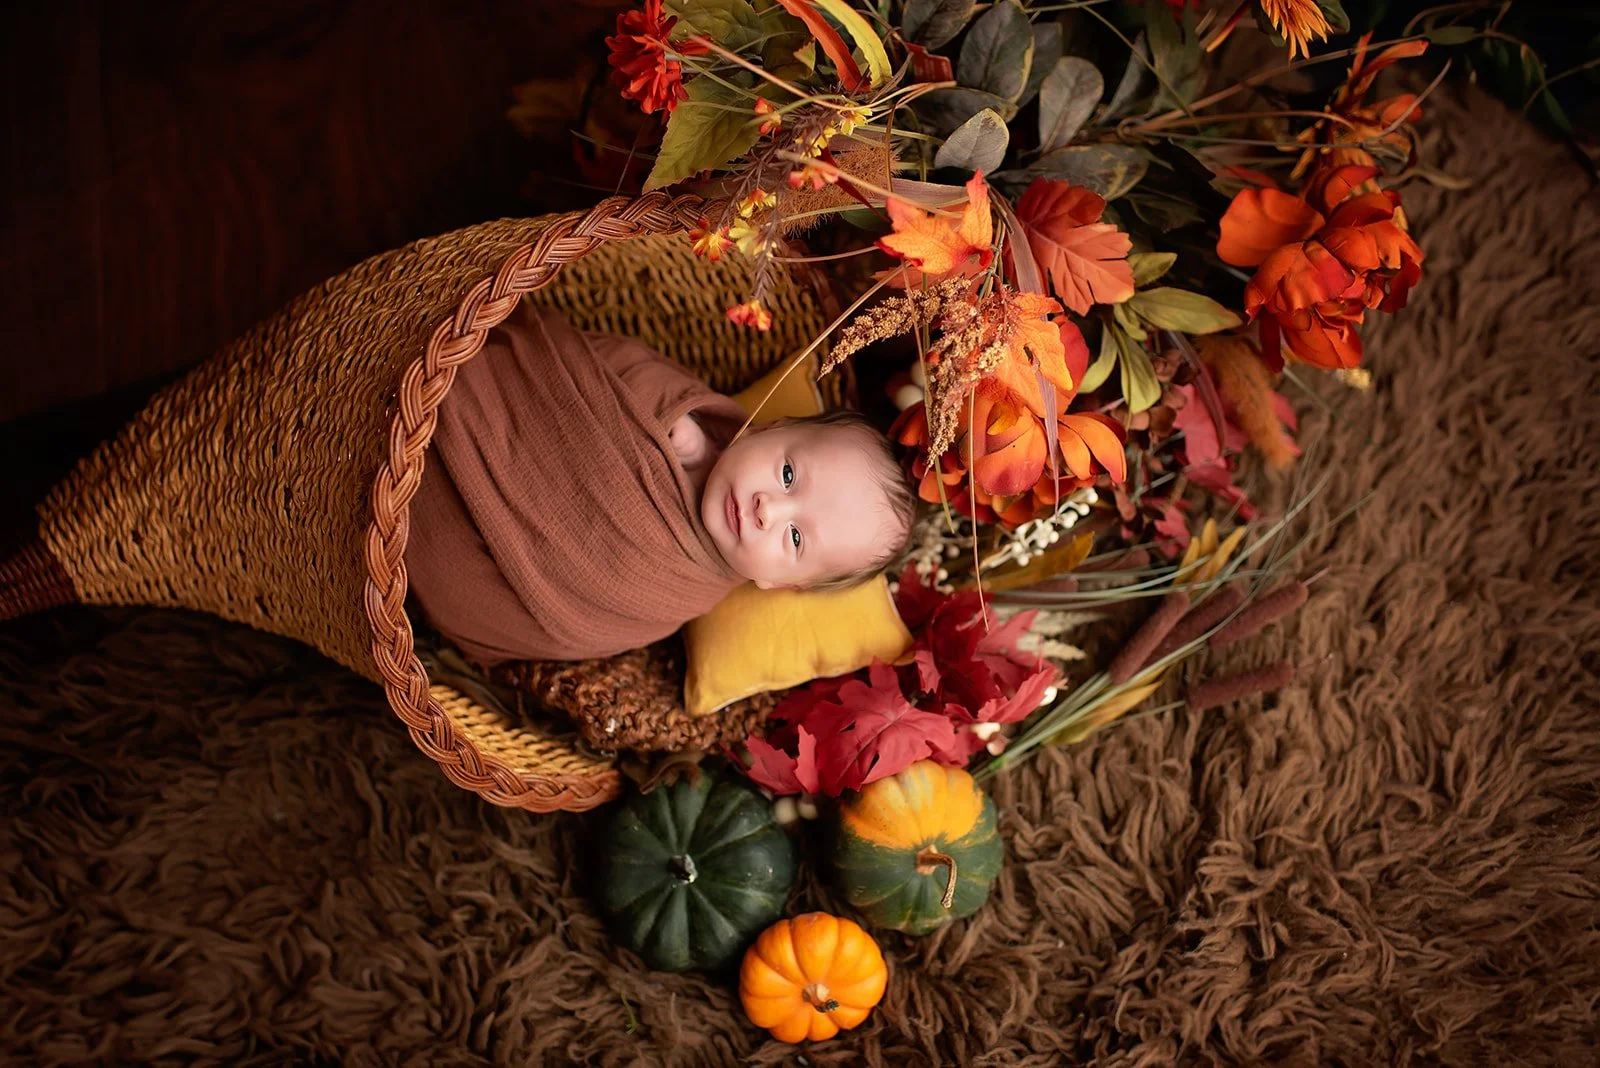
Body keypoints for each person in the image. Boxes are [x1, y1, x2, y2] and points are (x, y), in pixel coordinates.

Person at [404, 303, 915, 668]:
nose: (768, 509)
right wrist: (684, 435)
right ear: (768, 427)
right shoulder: (689, 409)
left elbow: (592, 618)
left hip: (459, 580)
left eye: (795, 538)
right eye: (787, 475)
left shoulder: (677, 591)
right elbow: (610, 365)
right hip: (458, 418)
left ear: (779, 584)